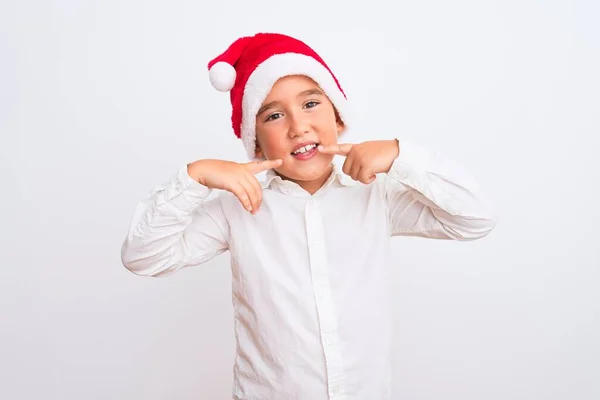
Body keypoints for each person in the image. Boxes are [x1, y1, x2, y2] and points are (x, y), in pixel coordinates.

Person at [121, 32, 497, 400]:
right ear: (255, 141)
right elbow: (144, 256)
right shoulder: (237, 207)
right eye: (274, 115)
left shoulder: (376, 195)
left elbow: (475, 218)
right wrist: (195, 176)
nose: (298, 126)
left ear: (338, 117)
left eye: (311, 104)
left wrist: (401, 155)